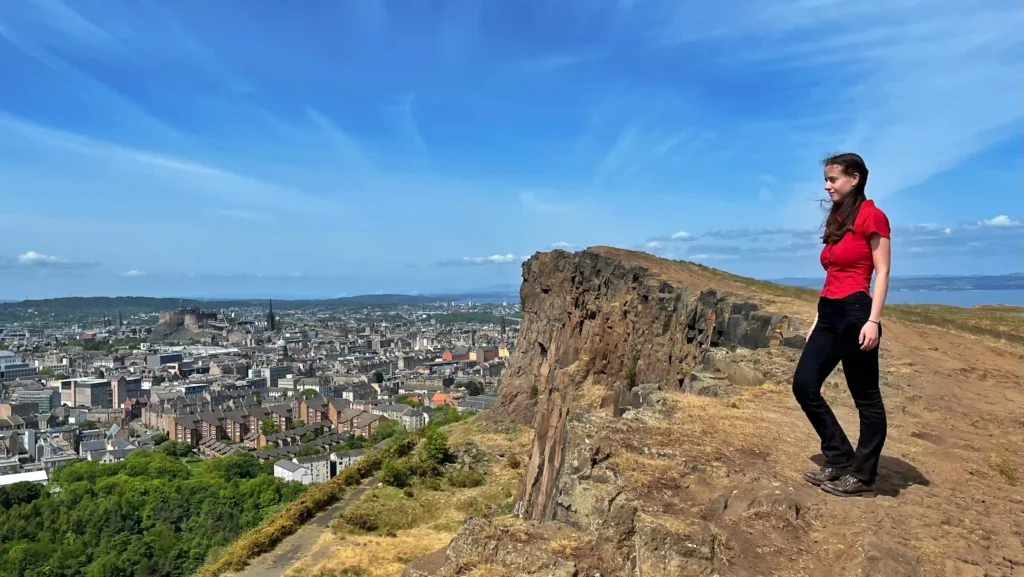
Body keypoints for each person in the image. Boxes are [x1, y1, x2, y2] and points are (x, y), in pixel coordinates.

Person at [793, 152, 891, 498]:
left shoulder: (872, 216)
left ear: (855, 178)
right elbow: (833, 273)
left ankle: (864, 476)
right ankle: (839, 456)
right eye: (826, 179)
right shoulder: (838, 217)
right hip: (829, 312)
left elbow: (882, 272)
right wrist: (817, 318)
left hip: (855, 313)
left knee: (866, 397)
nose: (827, 185)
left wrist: (873, 320)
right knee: (804, 384)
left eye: (833, 179)